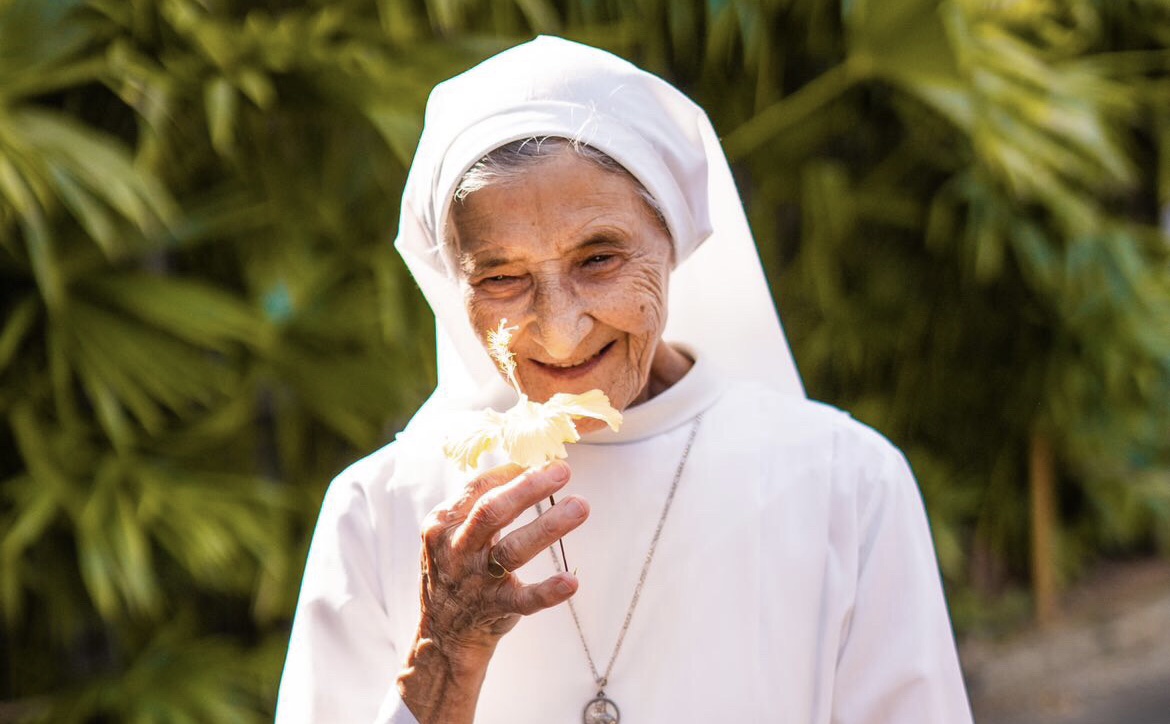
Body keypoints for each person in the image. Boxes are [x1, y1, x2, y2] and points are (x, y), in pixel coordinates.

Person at [276, 36, 974, 724]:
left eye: (599, 258)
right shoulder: (379, 511)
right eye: (503, 277)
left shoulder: (845, 483)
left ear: (672, 241)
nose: (561, 329)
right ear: (452, 289)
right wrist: (441, 659)